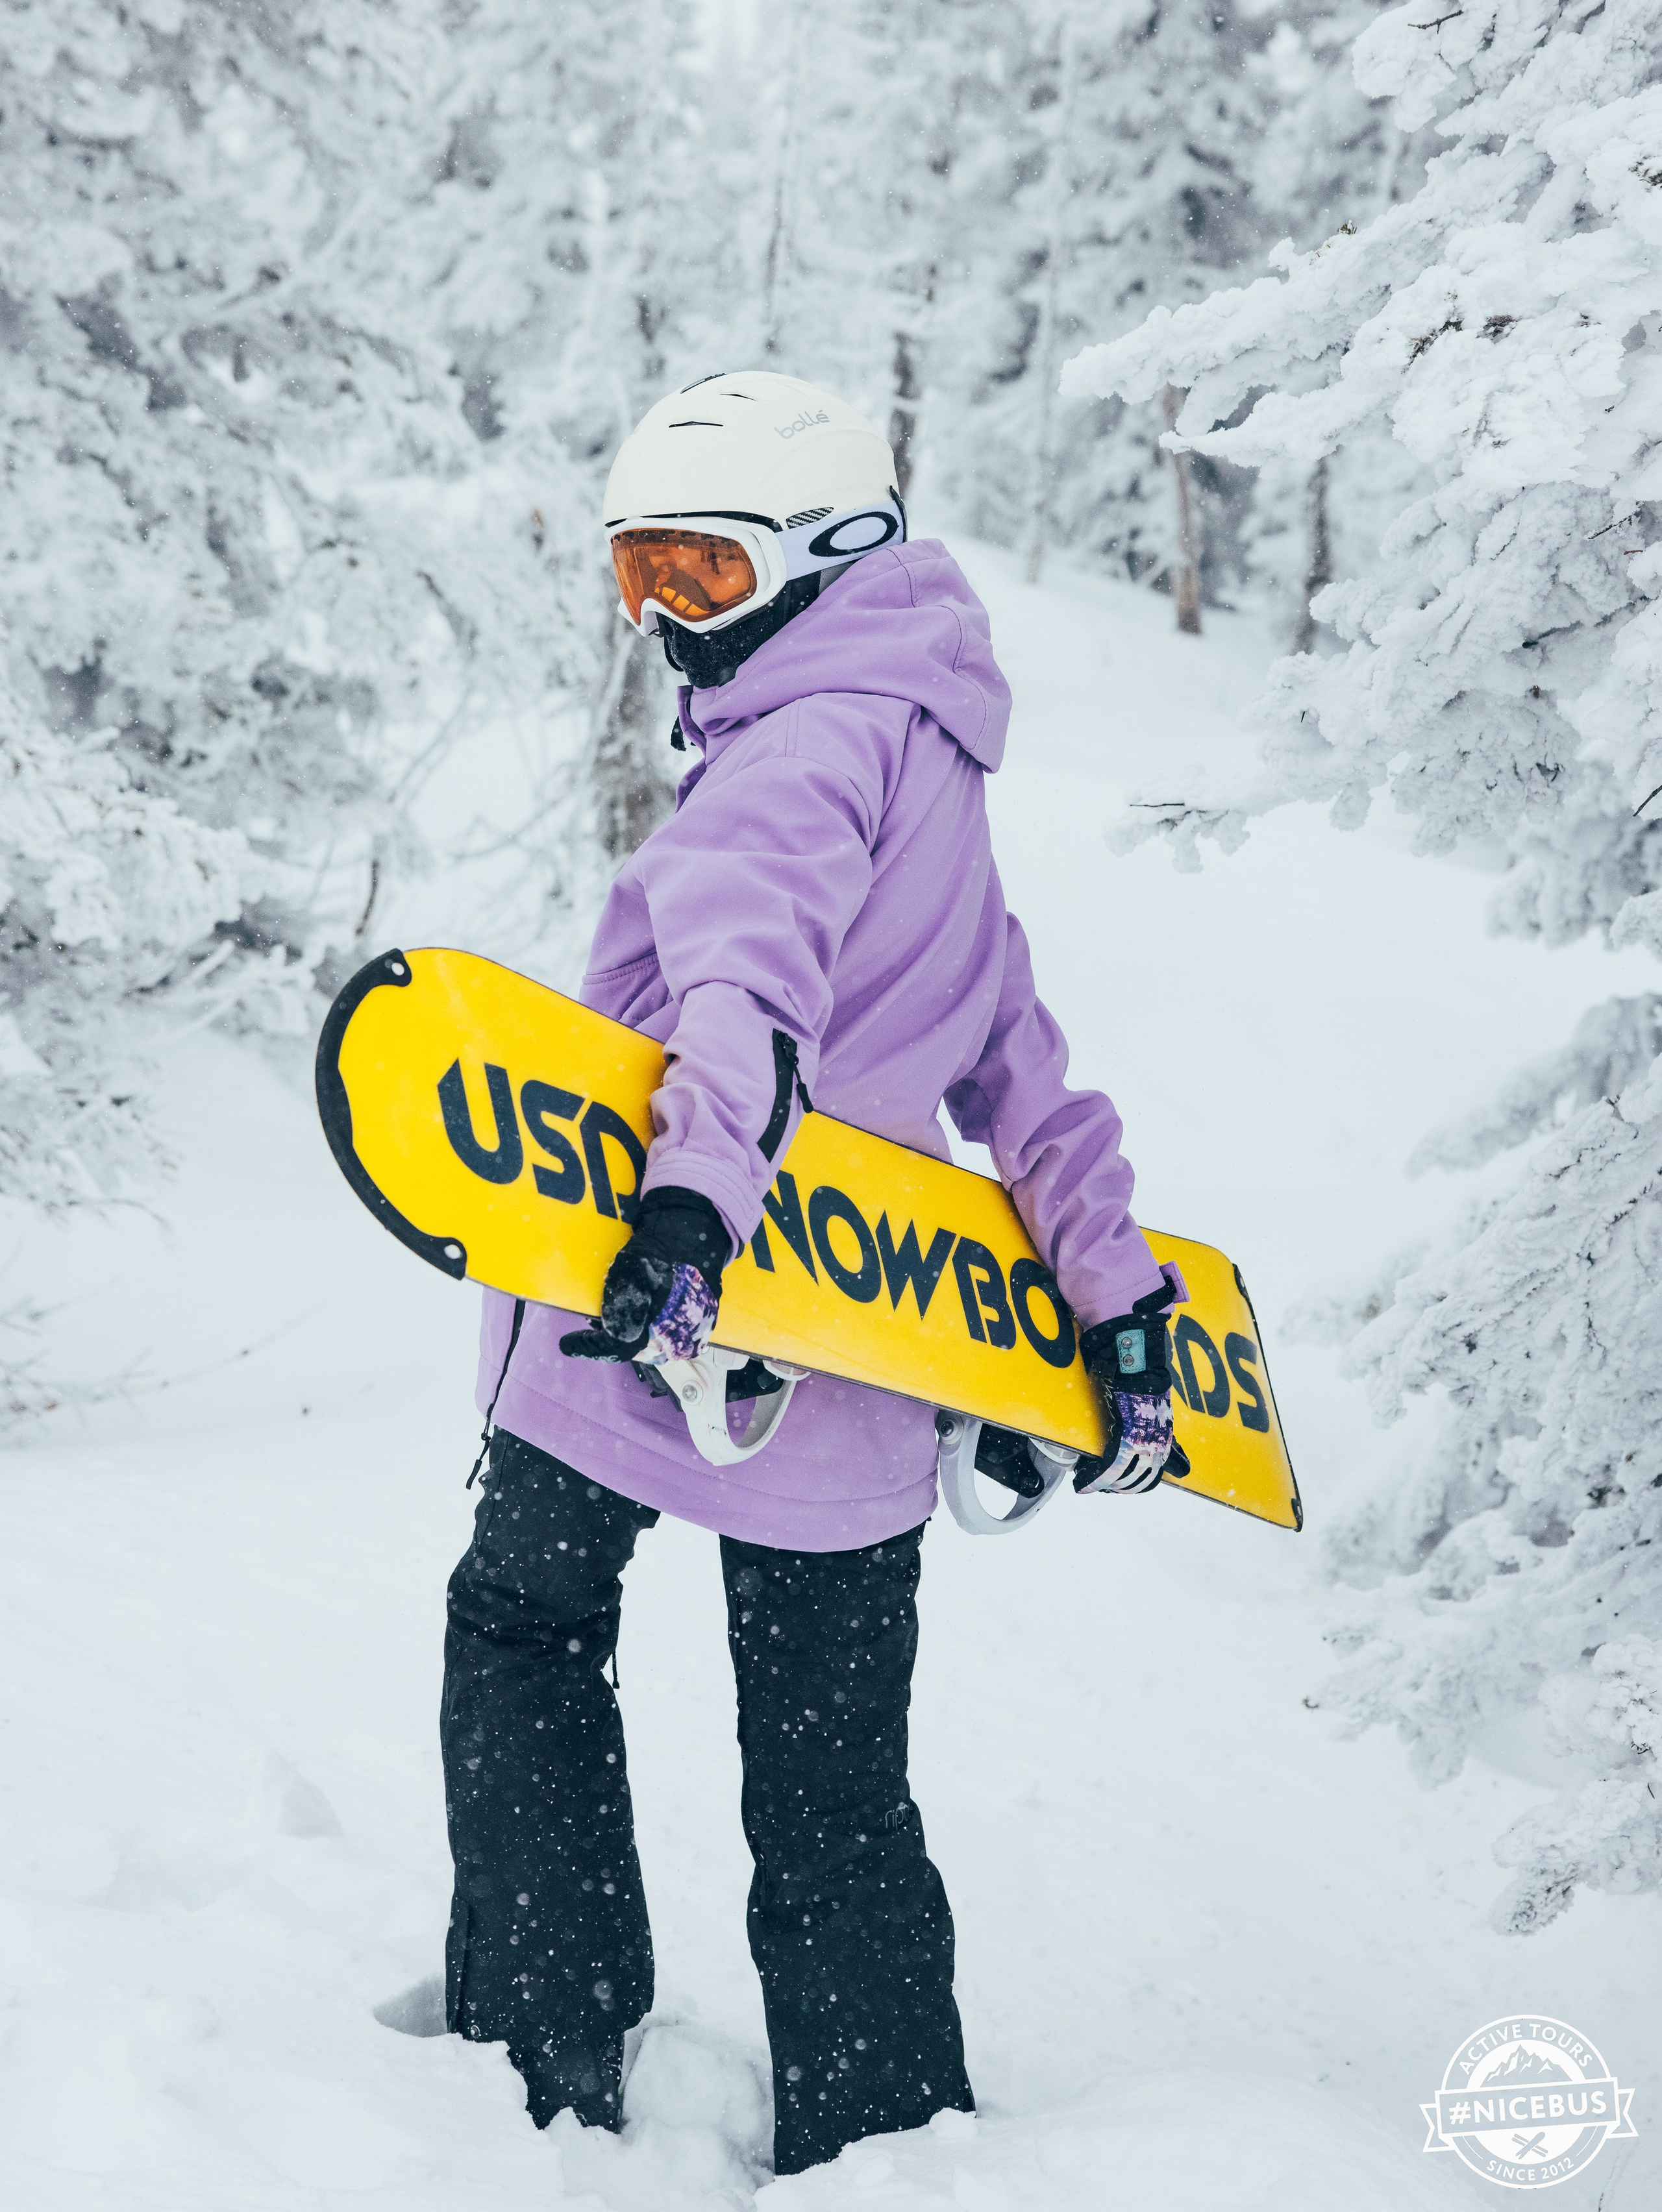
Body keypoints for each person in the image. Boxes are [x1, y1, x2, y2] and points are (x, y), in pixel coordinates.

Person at [439, 370, 1182, 2176]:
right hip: (854, 1359)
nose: (666, 617)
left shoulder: (791, 754)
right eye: (640, 575)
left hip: (645, 1310)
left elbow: (746, 992)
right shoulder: (930, 759)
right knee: (836, 1788)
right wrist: (1116, 1298)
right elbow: (1022, 1072)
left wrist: (689, 1212)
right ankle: (887, 2135)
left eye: (702, 571)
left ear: (830, 550)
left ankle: (544, 2041)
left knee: (521, 1629)